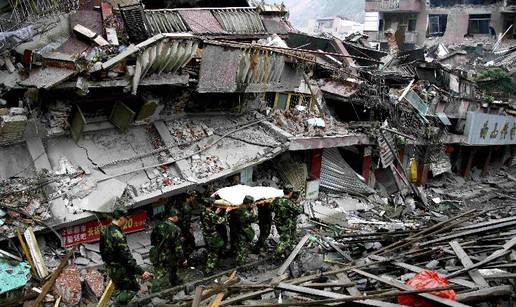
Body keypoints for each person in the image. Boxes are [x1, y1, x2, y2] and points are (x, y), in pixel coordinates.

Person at [99, 207, 152, 306]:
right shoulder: (118, 235)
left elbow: (102, 251)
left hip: (111, 268)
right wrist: (141, 272)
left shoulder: (104, 230)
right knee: (133, 289)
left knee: (120, 288)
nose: (127, 221)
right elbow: (127, 258)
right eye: (126, 219)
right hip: (121, 269)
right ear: (121, 218)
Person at [149, 207, 185, 292]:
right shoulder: (176, 229)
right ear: (174, 216)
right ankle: (156, 290)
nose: (178, 218)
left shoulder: (159, 225)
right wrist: (182, 259)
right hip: (170, 254)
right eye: (177, 216)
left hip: (159, 252)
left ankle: (170, 283)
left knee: (159, 271)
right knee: (170, 269)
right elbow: (178, 248)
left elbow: (152, 239)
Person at [272, 185, 304, 259]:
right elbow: (299, 210)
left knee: (288, 236)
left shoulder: (277, 200)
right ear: (290, 192)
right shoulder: (289, 203)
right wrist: (298, 203)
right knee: (284, 240)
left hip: (278, 222)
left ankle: (290, 249)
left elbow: (271, 208)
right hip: (285, 223)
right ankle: (276, 256)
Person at [201, 197, 227, 275]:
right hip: (212, 235)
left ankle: (211, 266)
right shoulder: (211, 214)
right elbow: (222, 220)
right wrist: (226, 212)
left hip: (206, 234)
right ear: (211, 204)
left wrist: (215, 213)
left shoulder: (203, 211)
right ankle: (209, 271)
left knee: (211, 250)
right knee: (213, 253)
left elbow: (209, 218)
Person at [234, 195, 257, 265]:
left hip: (238, 230)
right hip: (243, 232)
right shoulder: (244, 212)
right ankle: (240, 264)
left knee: (240, 247)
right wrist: (254, 209)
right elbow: (254, 218)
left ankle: (239, 261)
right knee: (242, 248)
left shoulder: (240, 208)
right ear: (249, 204)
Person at [173, 190, 197, 255]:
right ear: (189, 197)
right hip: (183, 229)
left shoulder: (182, 204)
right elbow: (185, 223)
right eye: (193, 197)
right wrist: (188, 230)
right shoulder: (187, 208)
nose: (194, 198)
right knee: (190, 241)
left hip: (179, 227)